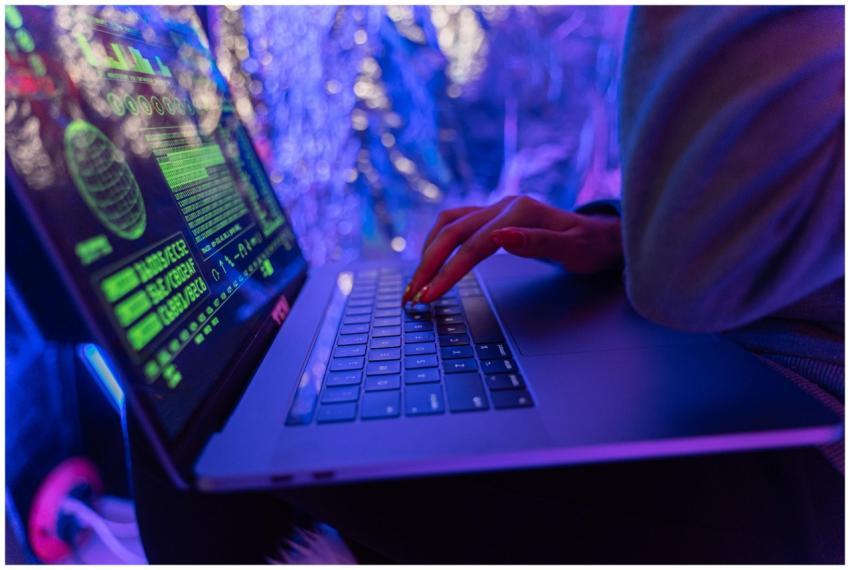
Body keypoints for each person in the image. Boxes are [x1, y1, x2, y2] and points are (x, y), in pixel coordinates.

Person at [132, 5, 844, 563]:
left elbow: (693, 275)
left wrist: (663, 245)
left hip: (811, 450)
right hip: (734, 347)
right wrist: (621, 234)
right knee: (222, 394)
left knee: (207, 423)